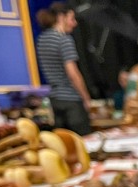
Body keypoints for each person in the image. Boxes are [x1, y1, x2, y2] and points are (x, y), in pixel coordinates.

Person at [35, 2, 92, 135]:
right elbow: (73, 73)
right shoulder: (64, 40)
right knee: (82, 144)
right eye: (72, 18)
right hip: (72, 102)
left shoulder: (42, 40)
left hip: (55, 101)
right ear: (61, 17)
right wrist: (86, 98)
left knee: (64, 144)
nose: (75, 23)